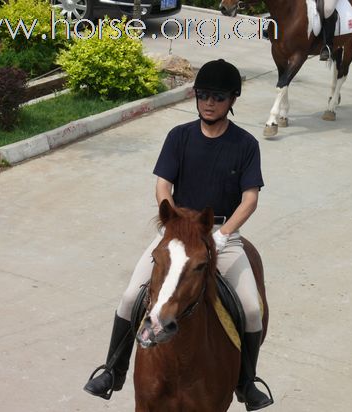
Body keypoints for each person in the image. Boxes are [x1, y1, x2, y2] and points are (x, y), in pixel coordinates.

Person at [83, 59, 273, 411]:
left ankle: (247, 382)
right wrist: (172, 221)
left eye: (217, 97)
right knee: (130, 298)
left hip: (220, 234)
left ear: (232, 99)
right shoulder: (179, 137)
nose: (208, 103)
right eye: (202, 95)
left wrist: (222, 234)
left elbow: (250, 199)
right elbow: (162, 185)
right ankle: (113, 370)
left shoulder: (245, 144)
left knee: (250, 308)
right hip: (177, 232)